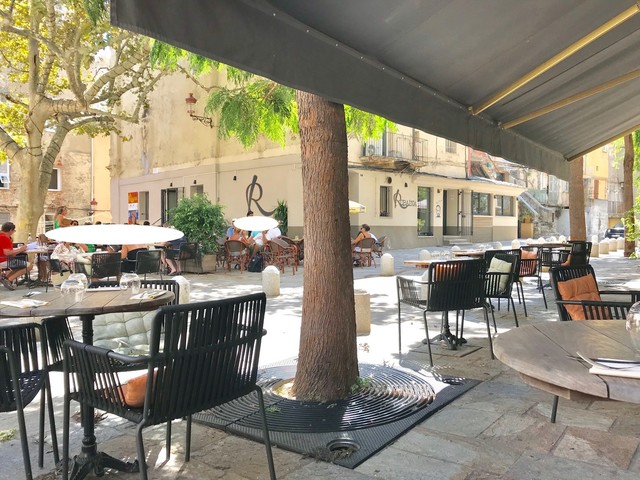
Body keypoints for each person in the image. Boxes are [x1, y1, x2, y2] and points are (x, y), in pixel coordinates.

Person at [0, 222, 32, 290]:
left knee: (20, 265)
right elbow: (7, 253)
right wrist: (20, 249)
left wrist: (18, 251)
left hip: (3, 259)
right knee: (29, 266)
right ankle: (9, 280)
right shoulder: (4, 238)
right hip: (4, 260)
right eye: (13, 231)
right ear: (10, 230)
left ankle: (5, 279)